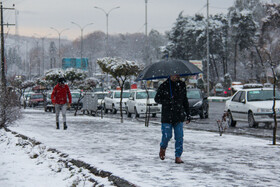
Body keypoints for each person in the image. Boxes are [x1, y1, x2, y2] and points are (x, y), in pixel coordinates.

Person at [155, 74, 191, 164]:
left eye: (178, 75)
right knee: (167, 135)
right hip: (167, 116)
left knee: (179, 137)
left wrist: (188, 114)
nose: (176, 76)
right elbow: (157, 99)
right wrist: (167, 101)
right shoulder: (164, 86)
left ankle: (178, 156)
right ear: (170, 75)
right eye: (174, 75)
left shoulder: (182, 85)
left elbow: (185, 100)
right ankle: (163, 148)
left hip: (179, 115)